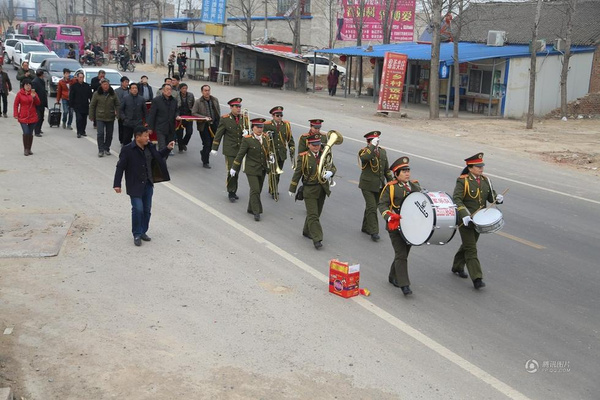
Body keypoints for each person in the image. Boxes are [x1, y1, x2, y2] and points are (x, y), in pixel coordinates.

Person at [113, 126, 174, 247]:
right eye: (145, 136)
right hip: (134, 185)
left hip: (148, 184)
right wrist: (117, 184)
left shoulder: (150, 147)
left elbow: (158, 155)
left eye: (148, 136)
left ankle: (143, 231)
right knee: (138, 209)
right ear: (137, 137)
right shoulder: (127, 150)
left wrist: (167, 148)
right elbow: (120, 167)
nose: (148, 138)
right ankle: (136, 233)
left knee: (147, 210)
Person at [452, 153, 503, 290]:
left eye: (482, 166)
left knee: (469, 245)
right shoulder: (463, 181)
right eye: (478, 166)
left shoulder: (486, 180)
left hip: (480, 221)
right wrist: (464, 214)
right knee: (471, 249)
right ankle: (477, 278)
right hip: (466, 221)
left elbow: (491, 198)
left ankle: (457, 266)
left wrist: (498, 199)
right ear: (470, 168)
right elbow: (456, 199)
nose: (481, 169)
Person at [378, 157, 422, 295]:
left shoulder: (415, 186)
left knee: (403, 254)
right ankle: (405, 285)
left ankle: (392, 276)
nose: (407, 173)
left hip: (410, 227)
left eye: (408, 170)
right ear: (396, 174)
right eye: (403, 171)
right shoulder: (391, 187)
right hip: (395, 226)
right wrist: (389, 216)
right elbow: (382, 205)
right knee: (401, 254)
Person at [288, 133, 336, 249]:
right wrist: (292, 188)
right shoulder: (303, 156)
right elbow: (298, 173)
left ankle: (306, 230)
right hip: (309, 189)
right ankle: (317, 239)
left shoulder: (324, 154)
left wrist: (331, 173)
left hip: (322, 188)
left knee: (316, 213)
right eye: (313, 145)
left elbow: (332, 166)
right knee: (313, 215)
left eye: (318, 144)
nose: (316, 147)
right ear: (308, 145)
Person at [230, 118, 269, 221]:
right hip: (251, 169)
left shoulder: (266, 138)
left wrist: (271, 158)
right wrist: (234, 167)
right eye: (258, 127)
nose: (260, 129)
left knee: (257, 190)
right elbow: (240, 154)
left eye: (261, 127)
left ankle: (250, 208)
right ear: (253, 128)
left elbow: (267, 152)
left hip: (262, 168)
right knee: (255, 189)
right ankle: (257, 211)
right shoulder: (247, 139)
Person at [359, 131, 393, 242]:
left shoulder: (382, 152)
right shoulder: (364, 152)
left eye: (377, 141)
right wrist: (372, 146)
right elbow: (365, 158)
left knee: (370, 207)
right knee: (372, 207)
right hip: (367, 185)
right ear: (368, 141)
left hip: (379, 185)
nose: (376, 143)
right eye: (373, 141)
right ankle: (374, 232)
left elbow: (386, 170)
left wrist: (391, 183)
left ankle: (365, 227)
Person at [211, 98, 245, 202]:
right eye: (236, 107)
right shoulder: (225, 119)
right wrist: (214, 147)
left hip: (240, 150)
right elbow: (219, 134)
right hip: (230, 149)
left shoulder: (244, 118)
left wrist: (247, 133)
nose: (239, 109)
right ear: (231, 107)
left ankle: (234, 190)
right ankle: (231, 191)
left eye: (239, 107)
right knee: (231, 171)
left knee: (237, 171)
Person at [263, 106, 295, 198]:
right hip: (271, 152)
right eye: (277, 115)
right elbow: (262, 136)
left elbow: (289, 138)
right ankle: (273, 190)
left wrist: (291, 148)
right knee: (273, 172)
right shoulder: (267, 125)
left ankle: (273, 187)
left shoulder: (286, 125)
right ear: (273, 116)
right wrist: (267, 135)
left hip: (281, 153)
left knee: (278, 172)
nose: (279, 117)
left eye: (281, 115)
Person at [89, 78, 120, 157]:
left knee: (109, 134)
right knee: (100, 133)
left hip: (110, 116)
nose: (106, 86)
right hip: (100, 117)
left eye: (107, 84)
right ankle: (101, 150)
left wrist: (117, 113)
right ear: (101, 85)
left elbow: (117, 104)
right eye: (104, 84)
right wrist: (91, 115)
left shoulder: (113, 93)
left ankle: (107, 148)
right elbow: (92, 105)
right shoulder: (97, 94)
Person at [191, 84, 220, 168]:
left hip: (214, 125)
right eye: (205, 91)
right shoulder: (198, 102)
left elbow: (218, 112)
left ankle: (204, 152)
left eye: (208, 90)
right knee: (207, 143)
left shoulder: (215, 100)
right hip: (203, 126)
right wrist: (204, 118)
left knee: (212, 143)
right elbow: (193, 113)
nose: (207, 92)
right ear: (202, 92)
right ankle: (205, 161)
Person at [147, 83, 180, 153]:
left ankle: (161, 161)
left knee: (168, 148)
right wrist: (150, 127)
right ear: (163, 90)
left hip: (171, 128)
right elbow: (152, 114)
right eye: (167, 89)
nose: (169, 91)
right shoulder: (156, 100)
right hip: (160, 127)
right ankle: (161, 163)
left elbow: (176, 111)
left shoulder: (174, 101)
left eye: (170, 90)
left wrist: (177, 115)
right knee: (162, 147)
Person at [13, 78, 40, 156]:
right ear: (23, 86)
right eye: (26, 85)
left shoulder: (33, 93)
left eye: (29, 85)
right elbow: (16, 104)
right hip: (23, 116)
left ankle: (29, 148)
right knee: (26, 132)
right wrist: (15, 114)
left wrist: (34, 97)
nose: (28, 86)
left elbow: (38, 103)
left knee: (30, 133)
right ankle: (25, 149)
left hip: (32, 115)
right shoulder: (19, 94)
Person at [69, 71, 93, 139]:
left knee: (84, 119)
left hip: (85, 105)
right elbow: (71, 96)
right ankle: (79, 132)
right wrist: (71, 105)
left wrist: (91, 103)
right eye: (80, 77)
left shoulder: (87, 86)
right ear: (77, 78)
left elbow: (90, 95)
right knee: (79, 119)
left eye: (82, 77)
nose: (81, 79)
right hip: (77, 106)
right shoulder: (74, 86)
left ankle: (83, 131)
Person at [175, 83, 195, 153]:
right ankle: (180, 147)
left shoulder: (191, 95)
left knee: (189, 132)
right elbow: (175, 107)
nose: (185, 90)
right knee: (179, 133)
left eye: (186, 88)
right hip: (179, 117)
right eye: (183, 88)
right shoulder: (176, 95)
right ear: (180, 89)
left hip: (188, 116)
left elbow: (193, 105)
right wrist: (176, 115)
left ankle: (184, 143)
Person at [115, 76, 130, 145]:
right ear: (122, 83)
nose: (127, 84)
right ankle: (122, 140)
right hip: (120, 111)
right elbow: (115, 101)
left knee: (128, 128)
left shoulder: (130, 91)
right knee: (121, 127)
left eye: (128, 82)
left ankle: (127, 140)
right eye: (125, 82)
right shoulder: (117, 91)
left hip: (129, 112)